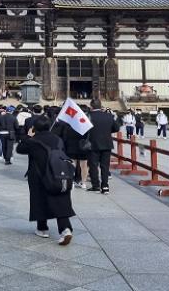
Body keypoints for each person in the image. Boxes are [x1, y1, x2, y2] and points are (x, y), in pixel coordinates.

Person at [16, 116, 75, 246]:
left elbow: (19, 149)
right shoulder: (58, 139)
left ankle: (42, 229)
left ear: (35, 127)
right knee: (61, 200)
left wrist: (28, 136)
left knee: (39, 200)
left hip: (38, 175)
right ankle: (65, 229)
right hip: (59, 174)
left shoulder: (33, 141)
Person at [86, 104, 120, 194]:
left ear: (92, 107)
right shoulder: (109, 115)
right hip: (106, 143)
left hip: (93, 143)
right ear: (101, 107)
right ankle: (105, 186)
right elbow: (117, 128)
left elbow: (84, 129)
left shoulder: (88, 115)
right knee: (105, 166)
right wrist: (107, 131)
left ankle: (96, 185)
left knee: (93, 165)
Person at [52, 120, 90, 189]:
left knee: (72, 165)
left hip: (71, 147)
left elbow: (65, 137)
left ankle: (71, 182)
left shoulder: (69, 126)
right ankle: (83, 183)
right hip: (83, 147)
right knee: (84, 165)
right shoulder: (85, 127)